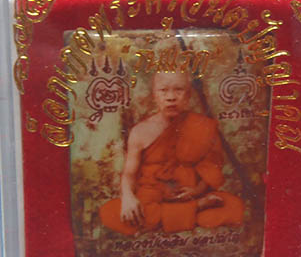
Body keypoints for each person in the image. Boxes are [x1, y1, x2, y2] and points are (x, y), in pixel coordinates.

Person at [99, 70, 244, 236]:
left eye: (178, 90)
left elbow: (211, 166)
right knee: (110, 212)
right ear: (154, 96)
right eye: (163, 90)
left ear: (188, 95)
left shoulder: (204, 126)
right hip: (152, 196)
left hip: (189, 194)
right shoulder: (140, 131)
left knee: (234, 207)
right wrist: (128, 198)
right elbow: (129, 174)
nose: (171, 97)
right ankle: (195, 210)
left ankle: (164, 218)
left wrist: (196, 191)